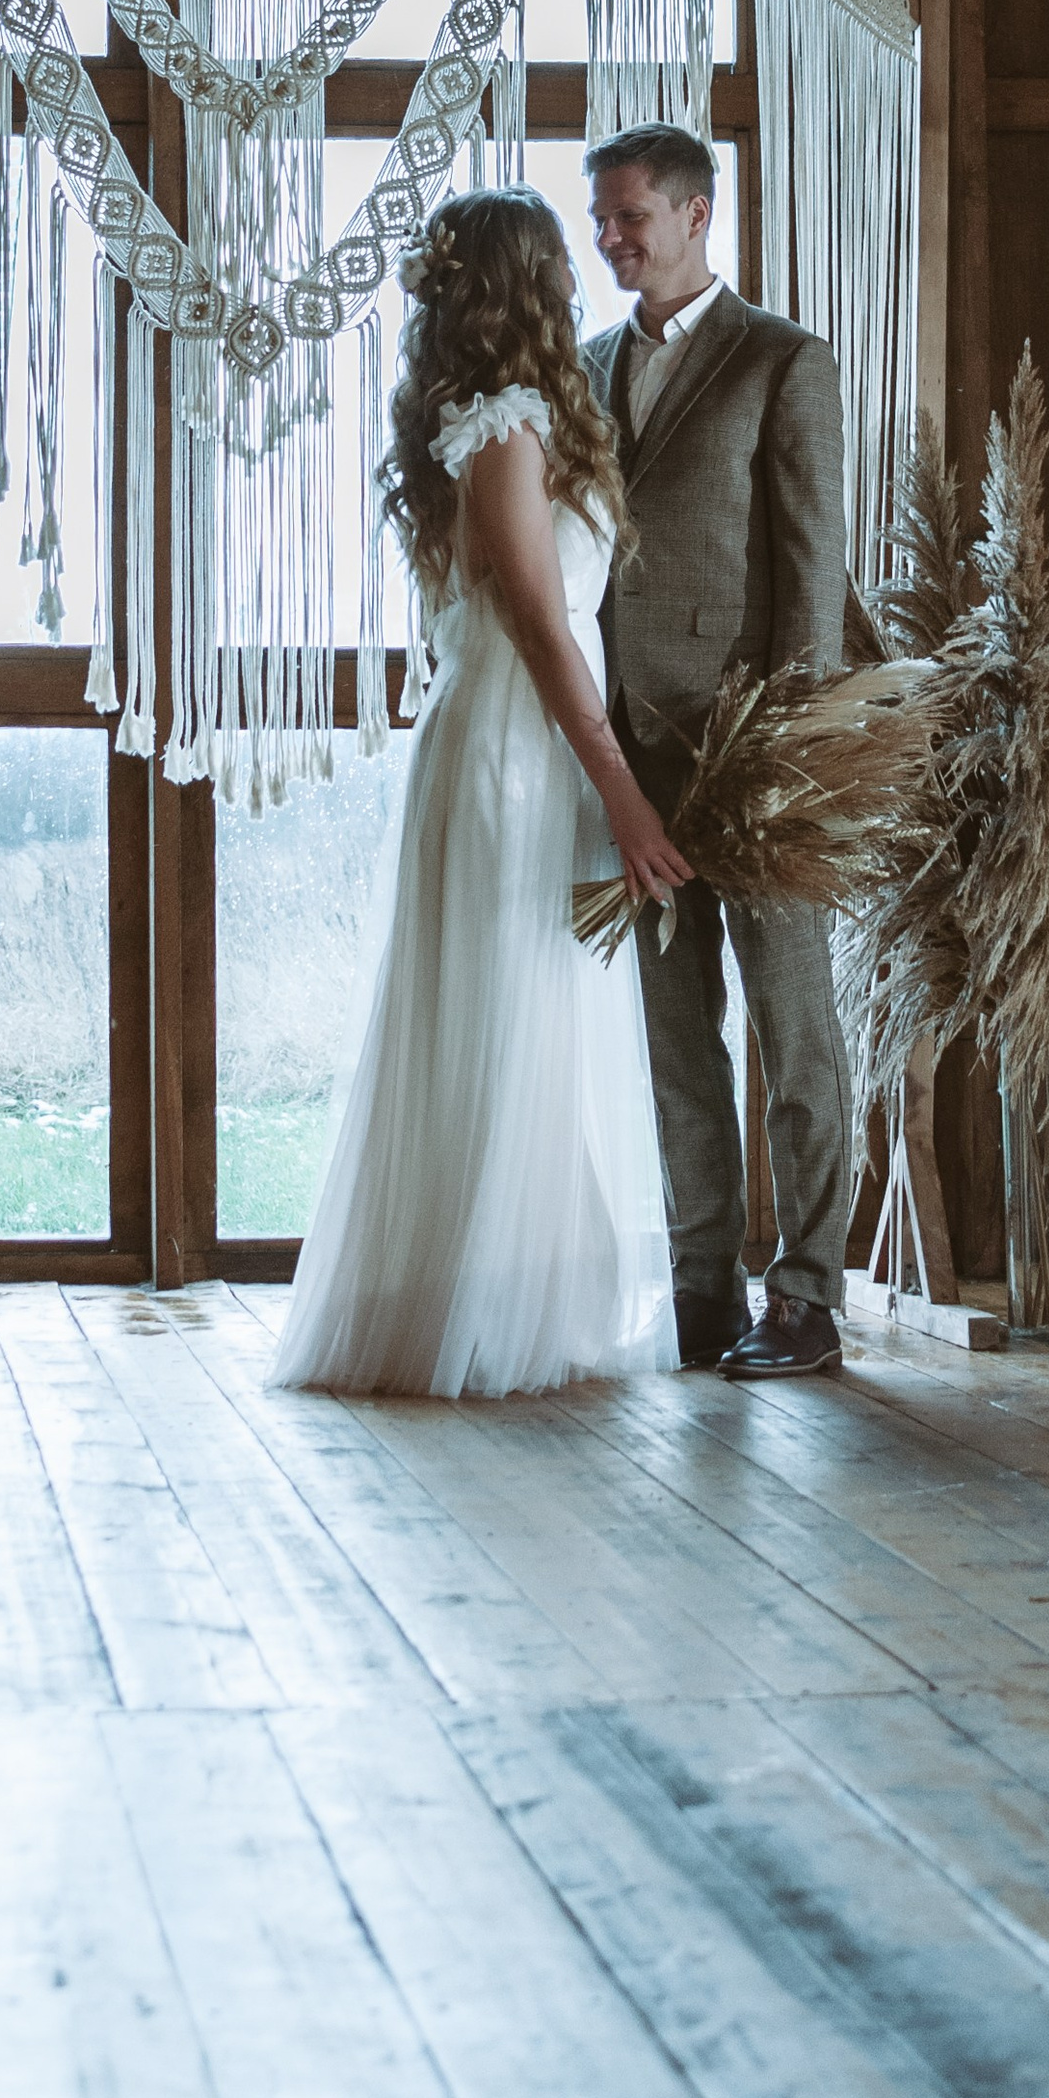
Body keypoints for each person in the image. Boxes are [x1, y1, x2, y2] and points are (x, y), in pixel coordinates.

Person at [271, 187, 688, 1399]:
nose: (576, 272)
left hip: (527, 737)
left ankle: (528, 1292)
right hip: (517, 746)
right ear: (521, 281)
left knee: (540, 1008)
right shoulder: (503, 425)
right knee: (508, 1000)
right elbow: (541, 626)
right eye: (557, 257)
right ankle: (476, 1309)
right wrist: (620, 789)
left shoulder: (514, 417)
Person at [584, 123, 853, 1378]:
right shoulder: (584, 368)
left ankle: (807, 1296)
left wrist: (789, 745)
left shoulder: (781, 360)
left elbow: (810, 570)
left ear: (699, 214)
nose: (611, 237)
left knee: (794, 1026)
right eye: (602, 217)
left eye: (631, 215)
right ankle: (704, 1291)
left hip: (750, 747)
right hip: (628, 746)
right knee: (675, 1035)